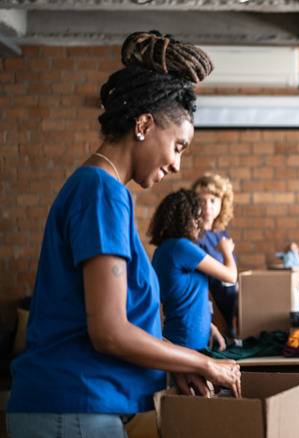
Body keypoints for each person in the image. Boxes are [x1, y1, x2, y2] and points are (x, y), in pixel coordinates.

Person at [6, 31, 241, 437]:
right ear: (144, 124)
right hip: (72, 405)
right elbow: (110, 331)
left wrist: (172, 364)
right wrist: (200, 362)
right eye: (179, 146)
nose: (177, 165)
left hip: (73, 408)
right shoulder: (102, 193)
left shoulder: (102, 190)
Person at [149, 188, 238, 352]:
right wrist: (226, 250)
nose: (201, 222)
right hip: (188, 342)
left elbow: (185, 299)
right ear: (186, 219)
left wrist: (210, 327)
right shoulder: (182, 247)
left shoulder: (163, 249)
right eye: (197, 216)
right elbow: (231, 276)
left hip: (184, 337)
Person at [191, 173, 239, 340]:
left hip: (229, 312)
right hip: (212, 318)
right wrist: (219, 324)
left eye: (212, 200)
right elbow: (202, 286)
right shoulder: (194, 236)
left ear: (222, 203)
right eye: (201, 200)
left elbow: (231, 277)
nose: (207, 206)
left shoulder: (220, 234)